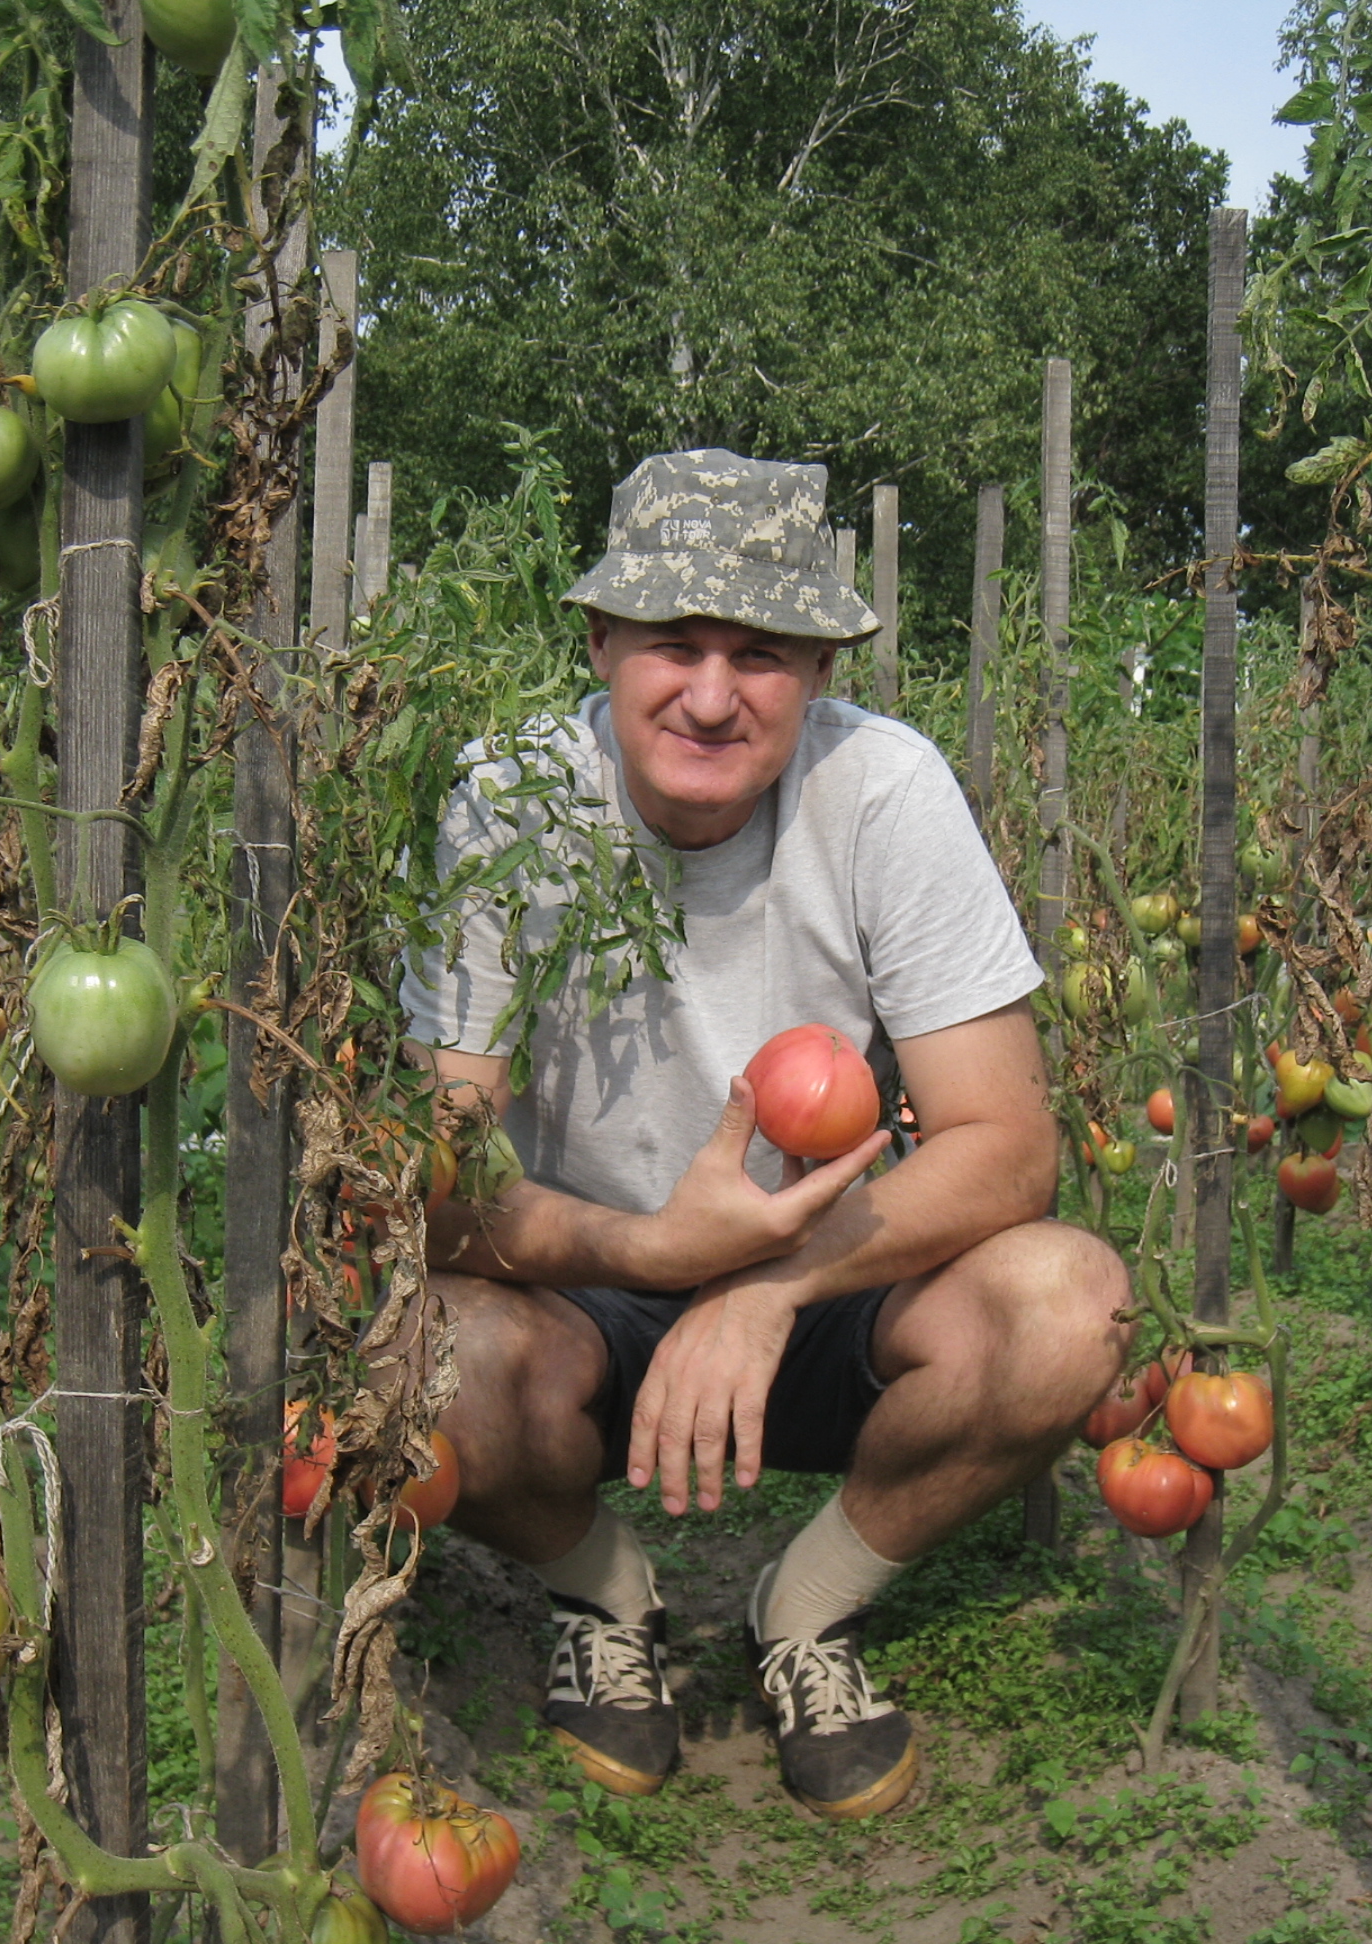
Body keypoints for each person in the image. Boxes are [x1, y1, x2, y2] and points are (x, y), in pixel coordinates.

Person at [401, 448, 1129, 1822]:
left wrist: (764, 1285)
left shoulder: (883, 792)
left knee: (1069, 1307)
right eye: (674, 645)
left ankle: (806, 1608)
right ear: (600, 640)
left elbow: (1008, 1146)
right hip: (579, 1296)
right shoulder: (509, 802)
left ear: (820, 668)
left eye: (762, 654)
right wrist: (653, 1251)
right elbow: (436, 1184)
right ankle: (603, 1588)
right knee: (408, 1356)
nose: (712, 695)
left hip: (839, 1283)